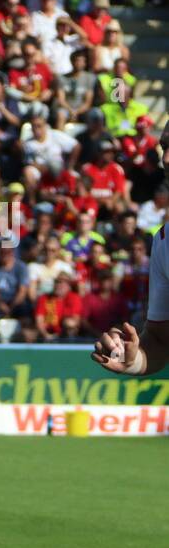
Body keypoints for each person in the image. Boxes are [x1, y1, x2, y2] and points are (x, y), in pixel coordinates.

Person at [93, 123, 169, 376]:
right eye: (164, 148)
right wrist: (132, 358)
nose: (166, 159)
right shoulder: (164, 240)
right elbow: (160, 341)